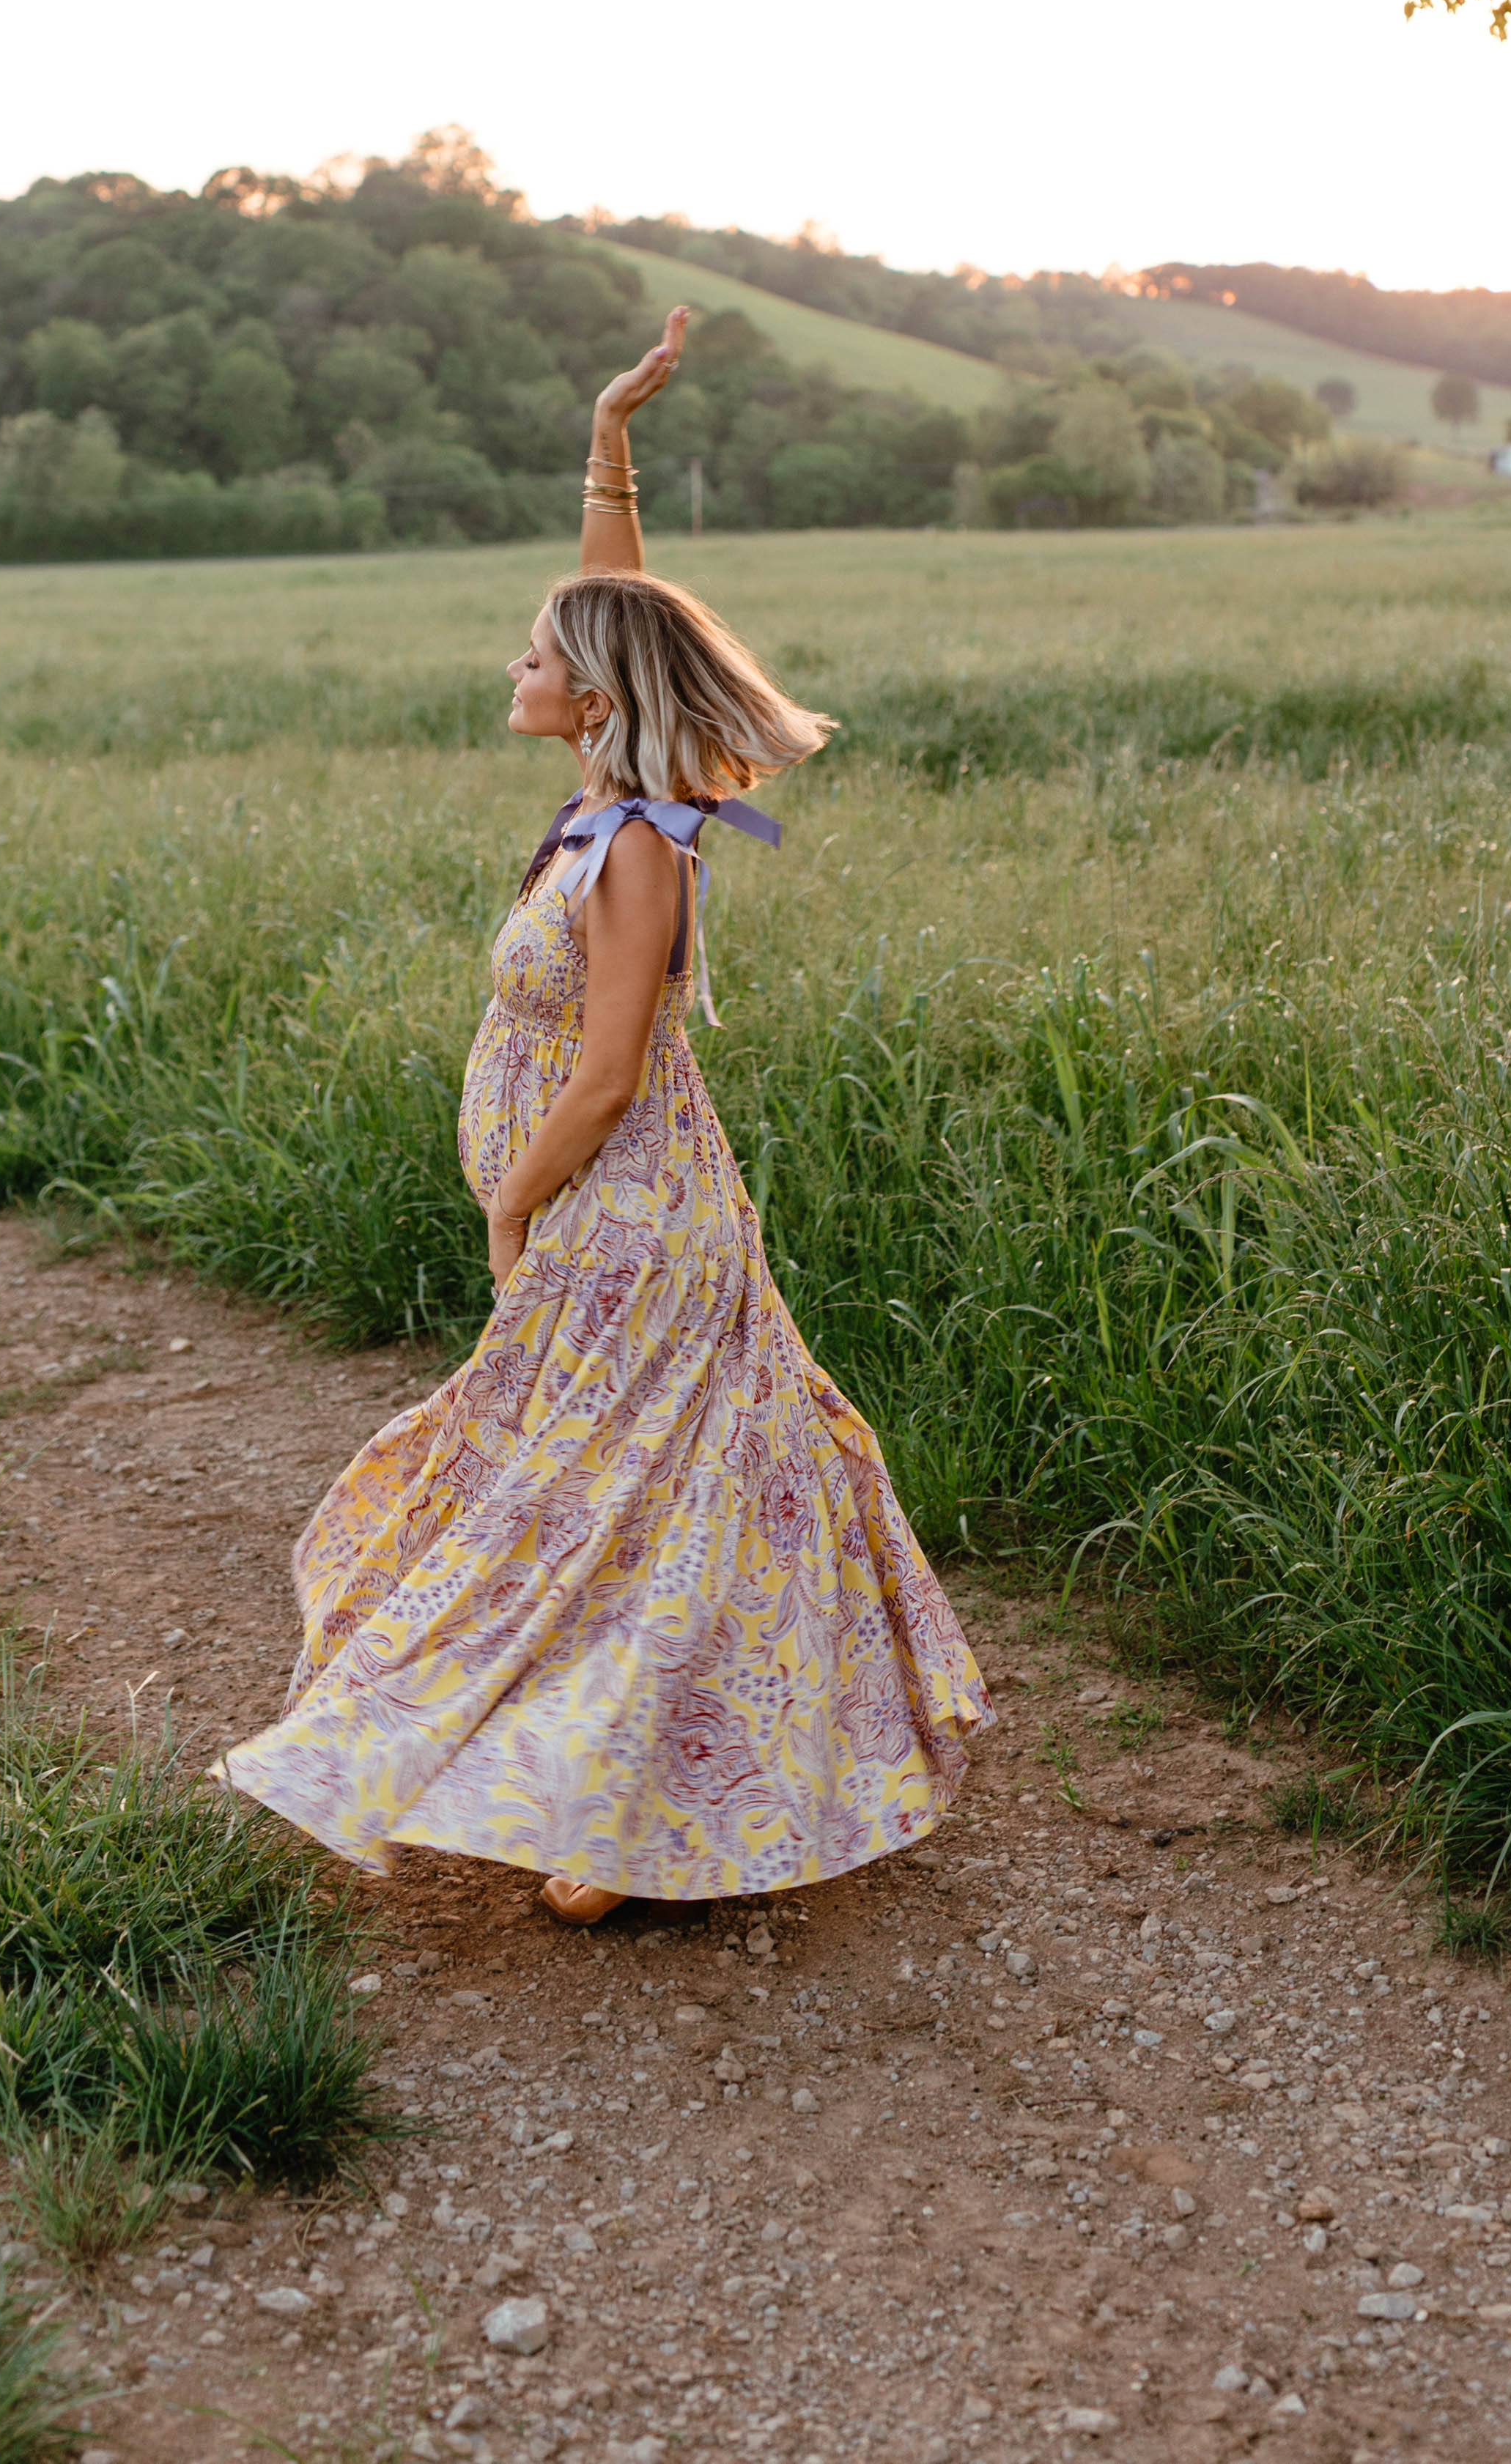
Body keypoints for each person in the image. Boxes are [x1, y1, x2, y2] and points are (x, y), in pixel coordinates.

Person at [219, 308, 985, 1920]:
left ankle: (622, 1797)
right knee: (600, 1491)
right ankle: (606, 1785)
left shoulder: (643, 841)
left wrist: (512, 1199)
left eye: (530, 655)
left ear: (585, 695)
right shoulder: (591, 805)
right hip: (604, 1210)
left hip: (628, 1215)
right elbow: (612, 604)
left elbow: (615, 1064)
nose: (512, 665)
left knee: (595, 1495)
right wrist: (606, 439)